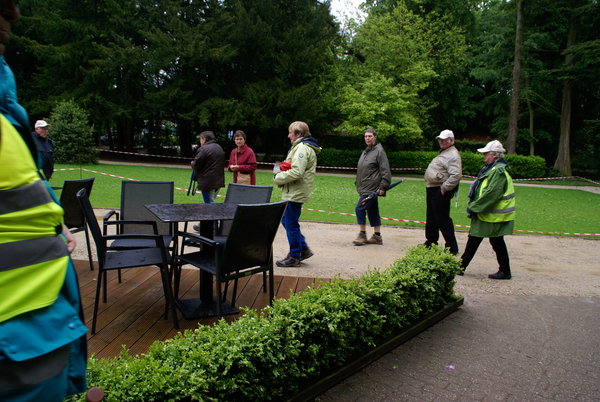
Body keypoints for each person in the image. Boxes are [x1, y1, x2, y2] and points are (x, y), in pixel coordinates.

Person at [0, 1, 88, 401]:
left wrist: (53, 228)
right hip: (20, 348)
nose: (12, 16)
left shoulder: (10, 116)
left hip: (40, 341)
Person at [458, 140, 515, 280]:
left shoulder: (497, 171)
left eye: (486, 153)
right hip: (488, 215)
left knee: (476, 238)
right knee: (494, 241)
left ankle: (460, 267)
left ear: (495, 155)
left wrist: (474, 208)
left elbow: (491, 194)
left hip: (489, 215)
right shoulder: (493, 169)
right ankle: (505, 270)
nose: (484, 156)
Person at [273, 121, 321, 267]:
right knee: (286, 221)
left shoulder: (302, 148)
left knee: (291, 224)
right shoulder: (303, 147)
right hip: (294, 191)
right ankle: (303, 249)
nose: (288, 136)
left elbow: (297, 172)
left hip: (295, 192)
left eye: (291, 133)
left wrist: (278, 178)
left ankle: (294, 256)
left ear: (299, 134)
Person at [423, 129, 462, 255]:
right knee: (432, 218)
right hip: (433, 188)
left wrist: (444, 189)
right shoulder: (446, 153)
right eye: (440, 139)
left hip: (439, 189)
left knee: (442, 219)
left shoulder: (452, 155)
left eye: (444, 140)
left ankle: (451, 247)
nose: (441, 142)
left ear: (451, 140)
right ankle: (431, 242)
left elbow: (456, 175)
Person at [353, 128, 391, 246]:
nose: (367, 138)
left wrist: (383, 187)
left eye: (370, 136)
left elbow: (385, 171)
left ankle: (362, 234)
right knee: (373, 210)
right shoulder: (366, 151)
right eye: (366, 136)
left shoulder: (379, 152)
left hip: (372, 188)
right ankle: (377, 236)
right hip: (365, 187)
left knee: (359, 208)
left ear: (375, 137)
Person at [191, 130, 225, 204]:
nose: (200, 142)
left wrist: (192, 164)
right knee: (210, 202)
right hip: (218, 181)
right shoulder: (219, 147)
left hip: (208, 182)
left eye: (200, 139)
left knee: (209, 205)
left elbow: (196, 165)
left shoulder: (204, 149)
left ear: (204, 139)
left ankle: (212, 216)